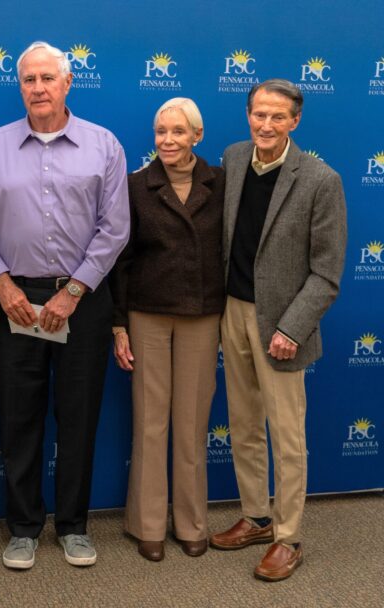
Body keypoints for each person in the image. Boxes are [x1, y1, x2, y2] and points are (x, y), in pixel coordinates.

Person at [0, 41, 129, 569]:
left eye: (47, 79)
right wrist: (2, 283)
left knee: (79, 417)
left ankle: (74, 526)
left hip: (81, 300)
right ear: (20, 86)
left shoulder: (103, 145)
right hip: (15, 300)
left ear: (67, 83)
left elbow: (115, 229)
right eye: (28, 80)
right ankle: (22, 526)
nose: (37, 88)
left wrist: (73, 291)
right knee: (18, 416)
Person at [209, 79, 347, 581]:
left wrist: (292, 327)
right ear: (248, 115)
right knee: (244, 427)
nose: (265, 125)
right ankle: (257, 517)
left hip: (283, 326)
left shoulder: (320, 180)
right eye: (258, 114)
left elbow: (327, 272)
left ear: (295, 121)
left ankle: (288, 537)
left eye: (277, 117)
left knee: (287, 438)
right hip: (233, 314)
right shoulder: (232, 157)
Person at [110, 98, 225, 562]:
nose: (168, 140)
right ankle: (148, 524)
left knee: (193, 423)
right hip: (147, 313)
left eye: (178, 131)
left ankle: (192, 522)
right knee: (150, 422)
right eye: (161, 131)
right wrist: (119, 325)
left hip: (203, 313)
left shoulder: (222, 183)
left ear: (197, 135)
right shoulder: (136, 186)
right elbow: (120, 260)